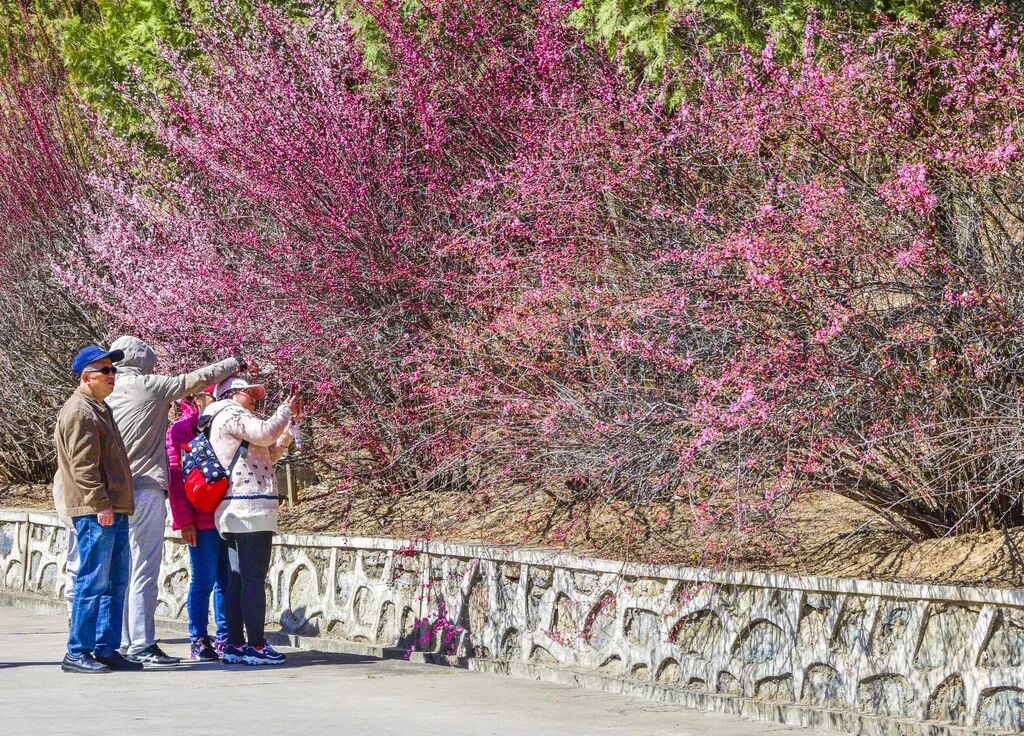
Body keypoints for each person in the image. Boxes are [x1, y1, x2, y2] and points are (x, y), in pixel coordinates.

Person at [107, 336, 242, 668]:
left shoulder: (106, 392)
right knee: (144, 568)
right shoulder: (147, 385)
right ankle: (142, 644)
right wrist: (234, 362)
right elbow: (194, 380)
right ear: (142, 361)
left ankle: (121, 641)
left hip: (112, 491)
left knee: (121, 570)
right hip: (144, 488)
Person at [56, 345, 142, 673]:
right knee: (93, 581)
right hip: (96, 511)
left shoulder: (99, 408)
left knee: (115, 582)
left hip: (113, 508)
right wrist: (100, 504)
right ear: (85, 377)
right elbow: (83, 467)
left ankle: (106, 648)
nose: (112, 375)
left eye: (113, 370)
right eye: (104, 370)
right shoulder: (80, 411)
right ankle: (77, 651)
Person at [205, 376, 302, 665]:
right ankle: (256, 646)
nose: (255, 400)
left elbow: (268, 454)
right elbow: (264, 433)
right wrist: (284, 410)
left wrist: (288, 430)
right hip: (250, 508)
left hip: (235, 508)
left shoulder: (225, 419)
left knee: (238, 579)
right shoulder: (231, 413)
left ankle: (235, 644)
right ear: (231, 394)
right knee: (253, 579)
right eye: (250, 393)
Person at [166, 389, 230, 660]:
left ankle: (226, 636)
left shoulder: (227, 422)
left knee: (227, 580)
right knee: (204, 578)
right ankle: (199, 638)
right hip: (200, 518)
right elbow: (175, 479)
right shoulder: (181, 430)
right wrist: (185, 521)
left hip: (228, 514)